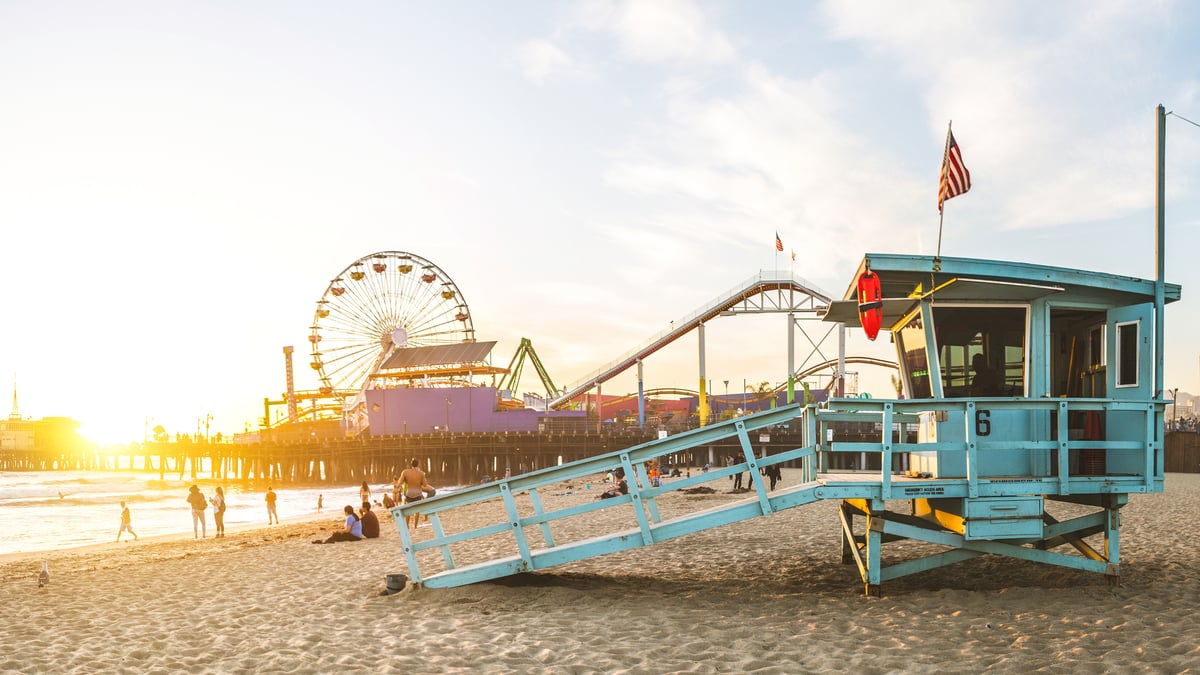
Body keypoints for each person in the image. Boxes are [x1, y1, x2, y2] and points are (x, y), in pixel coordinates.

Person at [400, 459, 433, 530]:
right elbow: (425, 484)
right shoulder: (421, 473)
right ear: (418, 464)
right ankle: (415, 526)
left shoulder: (405, 472)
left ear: (411, 464)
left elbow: (400, 482)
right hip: (417, 493)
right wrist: (421, 479)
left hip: (409, 493)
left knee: (408, 509)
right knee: (417, 511)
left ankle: (407, 525)